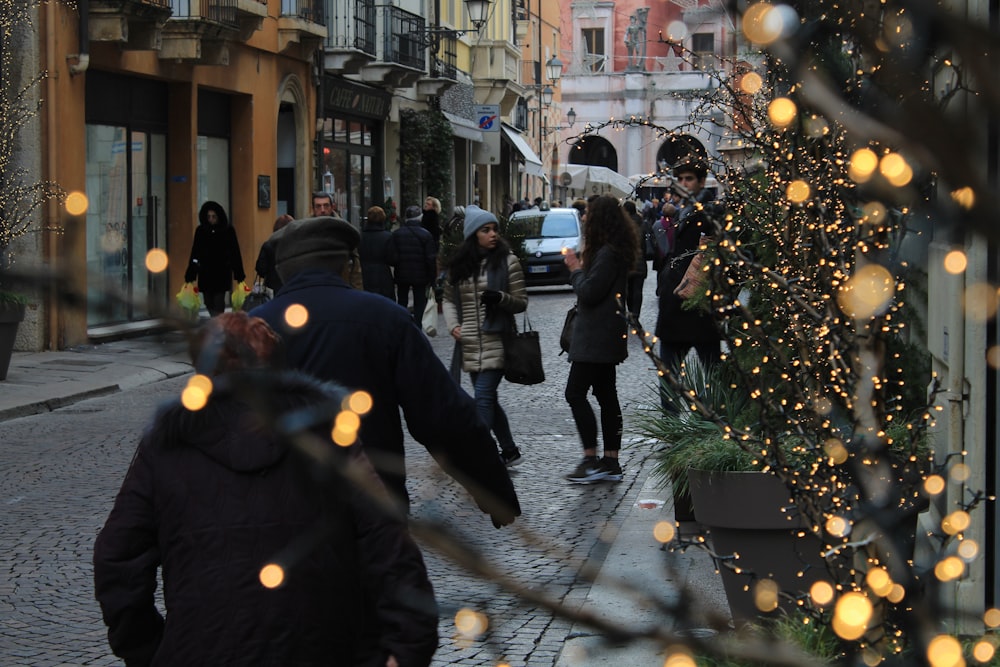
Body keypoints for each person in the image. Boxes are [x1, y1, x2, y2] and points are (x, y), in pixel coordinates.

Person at [93, 312, 439, 666]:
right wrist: (405, 648)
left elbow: (116, 559)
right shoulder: (326, 439)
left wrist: (149, 650)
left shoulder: (167, 445)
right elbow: (390, 546)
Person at [250, 216, 521, 526]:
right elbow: (443, 415)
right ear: (347, 264)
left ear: (282, 270)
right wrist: (493, 491)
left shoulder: (252, 328)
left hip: (277, 513)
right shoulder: (384, 319)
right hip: (372, 504)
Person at [562, 194, 640, 484]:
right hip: (605, 334)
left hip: (596, 336)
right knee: (607, 396)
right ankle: (610, 461)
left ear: (600, 219)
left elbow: (590, 292)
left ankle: (591, 458)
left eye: (588, 214)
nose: (583, 218)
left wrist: (575, 270)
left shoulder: (608, 253)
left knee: (575, 393)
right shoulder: (612, 250)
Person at [442, 205, 528, 467]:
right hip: (469, 341)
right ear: (473, 235)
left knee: (482, 396)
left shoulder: (507, 261)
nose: (493, 234)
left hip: (497, 339)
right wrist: (453, 325)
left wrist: (501, 298)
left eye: (494, 230)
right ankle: (510, 450)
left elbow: (521, 302)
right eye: (485, 230)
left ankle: (480, 454)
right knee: (489, 398)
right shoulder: (460, 266)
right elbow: (447, 299)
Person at [654, 160, 722, 387]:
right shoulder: (682, 211)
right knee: (669, 378)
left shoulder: (710, 212)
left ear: (701, 182)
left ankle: (710, 419)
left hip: (698, 303)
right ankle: (672, 420)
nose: (683, 183)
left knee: (712, 377)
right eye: (680, 179)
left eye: (689, 178)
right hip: (675, 306)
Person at [183, 201, 245, 316]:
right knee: (208, 301)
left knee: (218, 301)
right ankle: (216, 320)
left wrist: (238, 272)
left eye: (213, 216)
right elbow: (195, 252)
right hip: (205, 273)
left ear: (219, 216)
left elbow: (235, 252)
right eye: (208, 217)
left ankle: (218, 323)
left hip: (222, 272)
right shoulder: (201, 231)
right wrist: (191, 272)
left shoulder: (228, 230)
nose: (211, 219)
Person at [387, 205, 437, 322]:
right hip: (421, 275)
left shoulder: (397, 234)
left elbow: (391, 257)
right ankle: (417, 326)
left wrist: (399, 264)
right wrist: (432, 278)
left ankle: (402, 323)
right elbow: (430, 258)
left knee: (402, 300)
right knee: (419, 302)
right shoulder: (426, 235)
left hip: (402, 274)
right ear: (420, 218)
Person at [359, 205, 395, 299]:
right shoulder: (387, 237)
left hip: (364, 273)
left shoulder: (360, 237)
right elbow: (392, 259)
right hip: (382, 275)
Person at [621, 199, 648, 320]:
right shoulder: (642, 223)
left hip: (627, 261)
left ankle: (630, 311)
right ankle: (635, 314)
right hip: (640, 260)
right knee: (638, 290)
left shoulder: (623, 225)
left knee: (627, 290)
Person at [254, 213, 293, 292]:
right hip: (292, 287)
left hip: (272, 288)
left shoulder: (268, 245)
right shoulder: (296, 245)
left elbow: (261, 269)